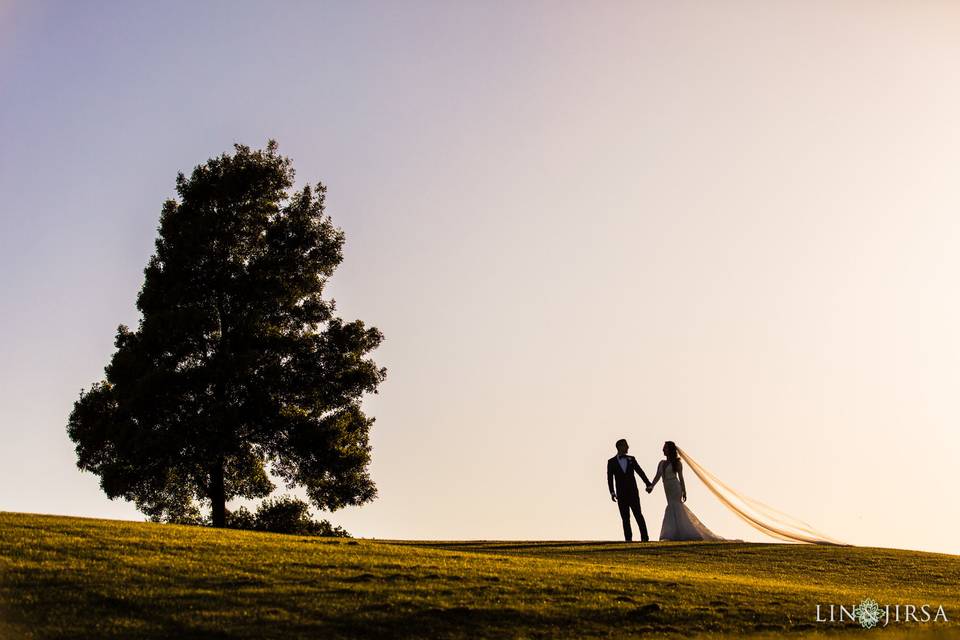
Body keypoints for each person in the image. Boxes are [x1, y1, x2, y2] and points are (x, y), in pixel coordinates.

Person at [646, 440, 723, 541]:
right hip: (667, 488)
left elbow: (681, 478)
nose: (663, 449)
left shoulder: (677, 463)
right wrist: (651, 486)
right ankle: (674, 532)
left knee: (675, 507)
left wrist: (684, 491)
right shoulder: (661, 463)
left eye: (665, 448)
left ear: (670, 450)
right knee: (672, 507)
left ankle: (673, 533)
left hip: (675, 487)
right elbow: (657, 476)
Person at [606, 438, 652, 542]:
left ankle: (645, 538)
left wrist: (648, 483)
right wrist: (612, 492)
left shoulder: (632, 459)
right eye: (625, 445)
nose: (628, 447)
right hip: (621, 494)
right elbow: (609, 478)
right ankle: (628, 539)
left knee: (638, 515)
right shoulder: (611, 462)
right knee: (625, 518)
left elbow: (640, 472)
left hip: (633, 492)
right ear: (620, 447)